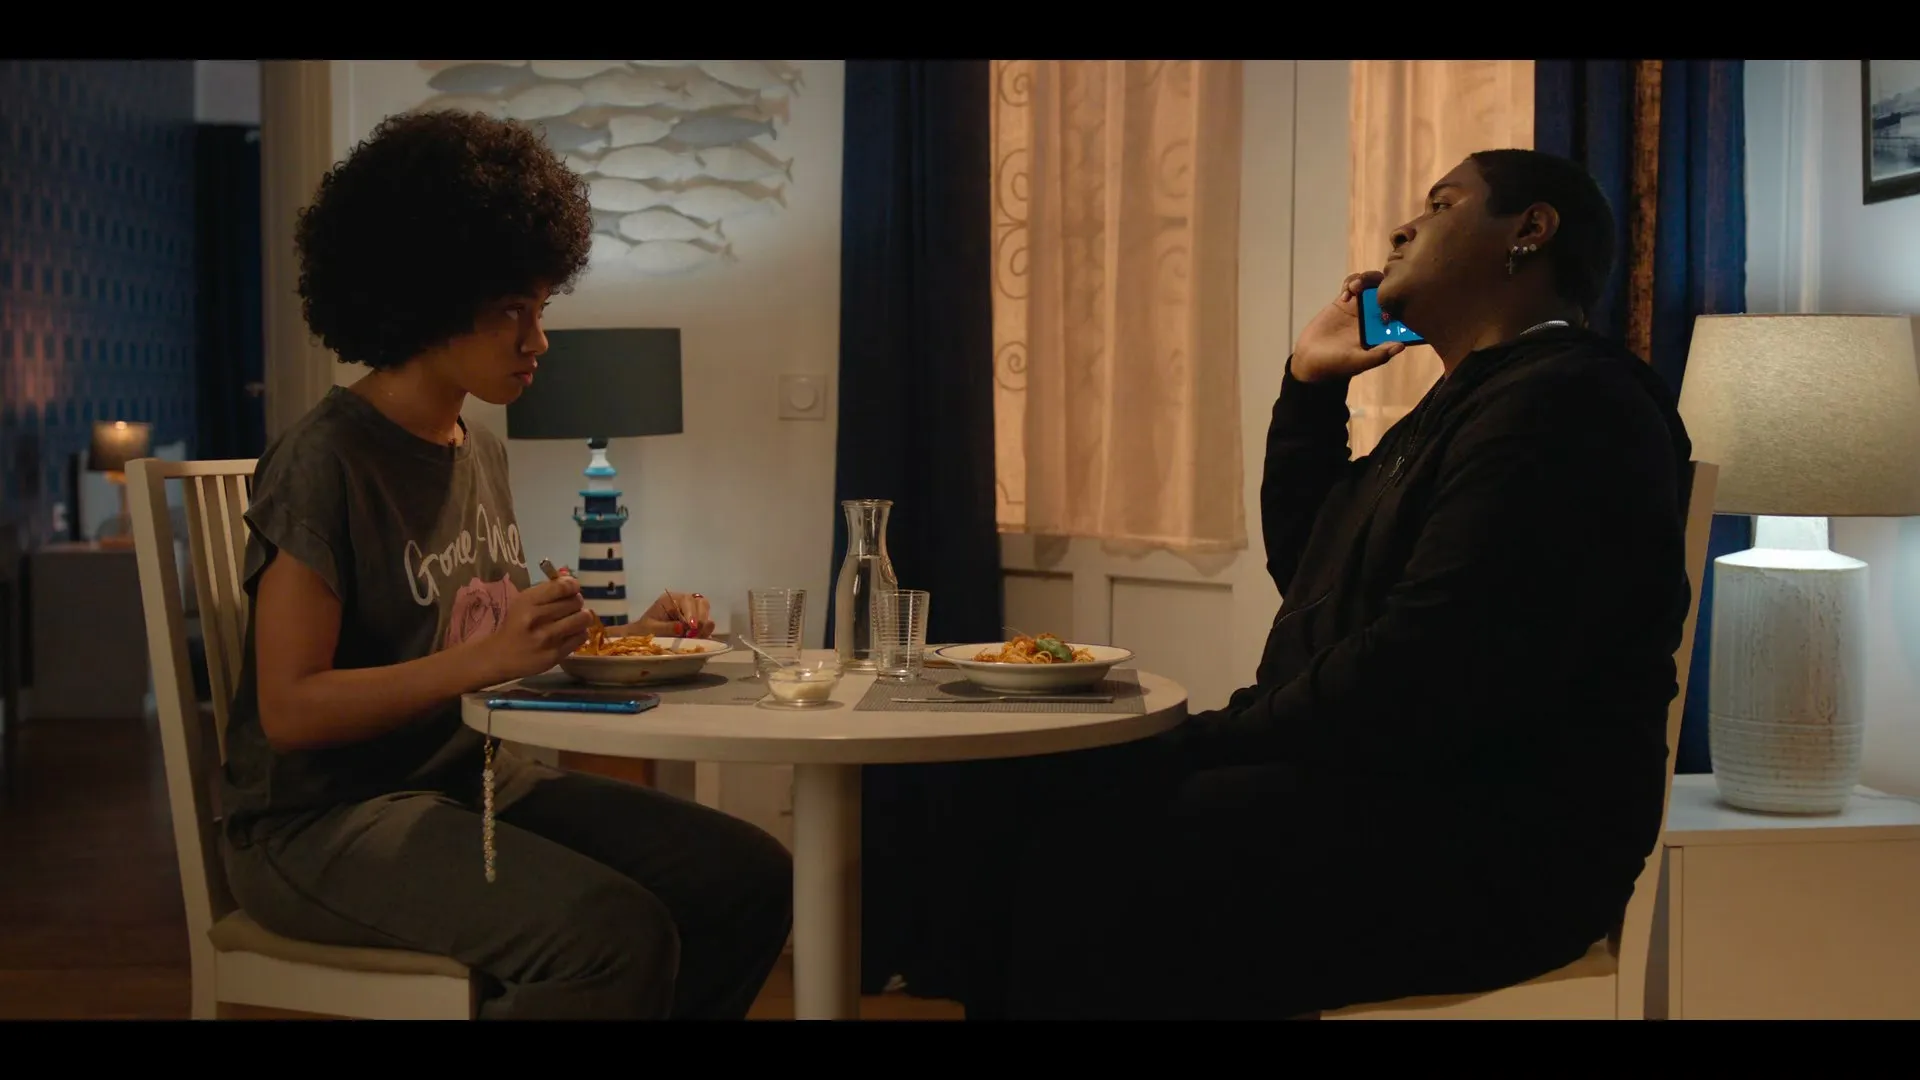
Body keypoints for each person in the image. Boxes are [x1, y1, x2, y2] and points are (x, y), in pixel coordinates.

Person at [965, 148, 1694, 1019]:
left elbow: (1421, 666)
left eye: (1441, 204)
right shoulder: (1473, 403)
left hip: (1497, 843)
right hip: (1399, 790)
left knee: (1094, 843)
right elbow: (1316, 568)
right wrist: (1310, 388)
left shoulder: (1569, 402)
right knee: (1047, 805)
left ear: (1530, 230)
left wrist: (1204, 738)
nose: (1401, 228)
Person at [217, 110, 791, 1020]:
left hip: (467, 784)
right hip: (319, 824)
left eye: (542, 308)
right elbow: (289, 709)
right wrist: (483, 661)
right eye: (511, 311)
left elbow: (498, 649)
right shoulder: (325, 461)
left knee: (747, 876)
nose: (539, 339)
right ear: (430, 300)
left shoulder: (475, 447)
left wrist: (624, 637)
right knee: (616, 936)